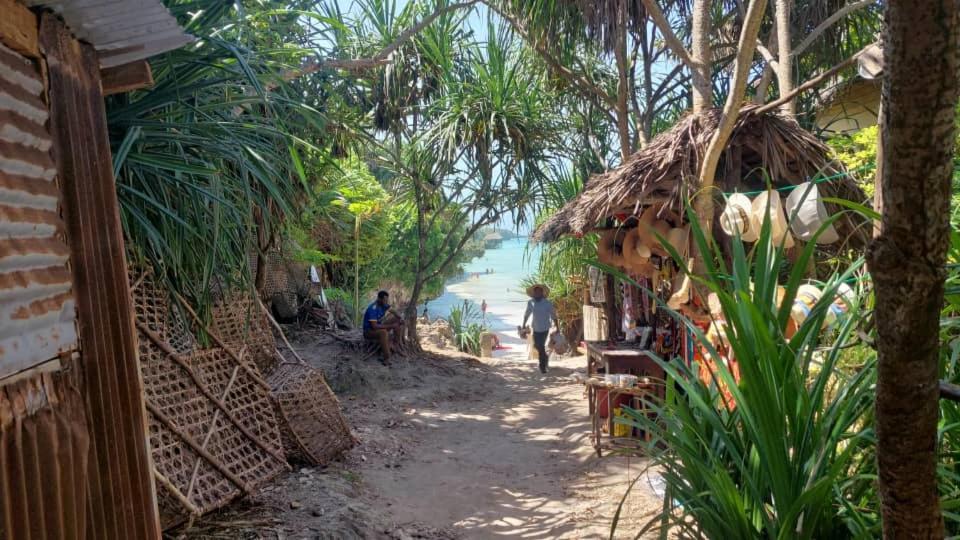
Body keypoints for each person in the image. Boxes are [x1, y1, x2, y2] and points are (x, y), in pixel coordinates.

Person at [521, 284, 558, 374]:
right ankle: (545, 358)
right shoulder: (531, 302)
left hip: (545, 328)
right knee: (537, 346)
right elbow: (527, 314)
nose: (537, 293)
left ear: (542, 293)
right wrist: (523, 325)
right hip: (535, 328)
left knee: (540, 345)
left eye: (539, 292)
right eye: (535, 292)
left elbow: (554, 315)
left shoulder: (547, 303)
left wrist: (558, 327)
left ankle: (542, 367)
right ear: (533, 293)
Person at [363, 290, 403, 366]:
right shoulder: (373, 308)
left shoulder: (384, 305)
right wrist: (391, 326)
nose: (386, 302)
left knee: (397, 319)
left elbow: (394, 311)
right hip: (369, 331)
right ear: (379, 299)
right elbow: (374, 326)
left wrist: (400, 318)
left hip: (378, 326)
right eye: (385, 300)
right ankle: (386, 357)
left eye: (387, 300)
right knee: (383, 332)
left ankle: (395, 345)